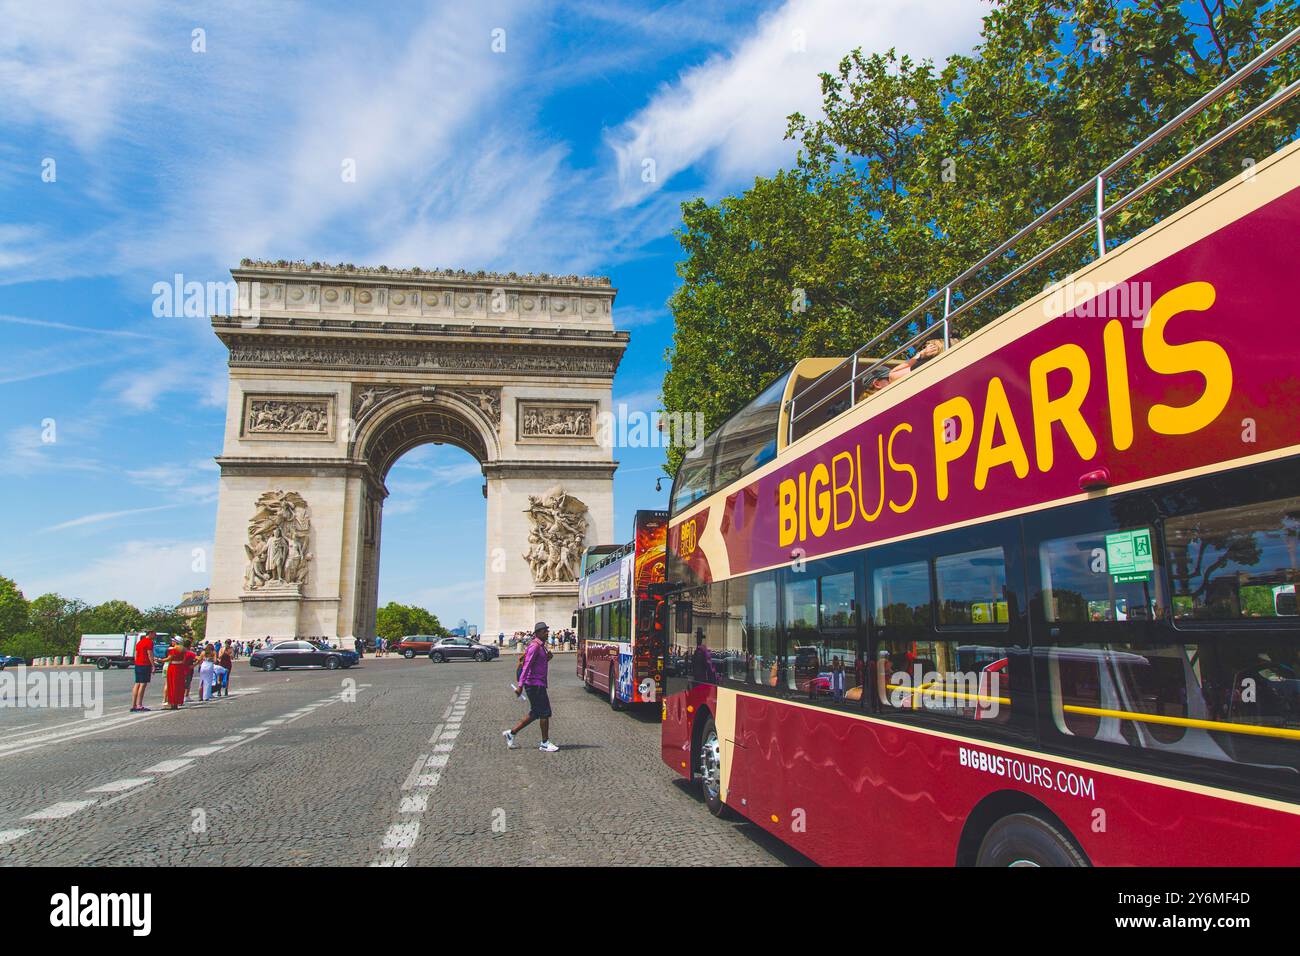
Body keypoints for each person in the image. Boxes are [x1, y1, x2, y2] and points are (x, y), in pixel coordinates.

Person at [503, 622, 558, 752]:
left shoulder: (541, 646)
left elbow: (537, 663)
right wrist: (520, 686)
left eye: (547, 631)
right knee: (545, 713)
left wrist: (547, 658)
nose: (547, 633)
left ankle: (511, 733)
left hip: (537, 683)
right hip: (534, 685)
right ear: (538, 633)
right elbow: (527, 666)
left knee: (535, 713)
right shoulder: (535, 646)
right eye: (544, 631)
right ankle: (544, 743)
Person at [130, 631, 156, 713]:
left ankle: (134, 704)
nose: (155, 636)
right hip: (145, 664)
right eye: (154, 634)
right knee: (143, 684)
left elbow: (136, 654)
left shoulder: (139, 642)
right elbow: (150, 654)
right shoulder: (149, 642)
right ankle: (139, 705)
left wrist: (136, 662)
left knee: (137, 683)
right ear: (150, 634)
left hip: (138, 664)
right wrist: (153, 665)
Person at [163, 641, 190, 709]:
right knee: (179, 685)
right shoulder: (183, 650)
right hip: (180, 667)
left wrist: (160, 660)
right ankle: (177, 702)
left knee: (172, 685)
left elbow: (169, 658)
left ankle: (172, 702)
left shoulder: (172, 650)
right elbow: (184, 660)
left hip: (173, 667)